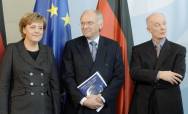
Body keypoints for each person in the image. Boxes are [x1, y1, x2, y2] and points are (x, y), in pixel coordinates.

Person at [62, 10, 124, 114]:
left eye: (89, 23)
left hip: (104, 107)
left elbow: (119, 76)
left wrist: (102, 98)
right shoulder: (71, 46)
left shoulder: (113, 46)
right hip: (78, 108)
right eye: (82, 23)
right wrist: (83, 100)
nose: (85, 26)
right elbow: (67, 77)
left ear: (100, 25)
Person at [0, 12, 60, 114]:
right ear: (24, 29)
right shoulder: (12, 49)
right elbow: (3, 85)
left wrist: (57, 111)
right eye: (32, 27)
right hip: (19, 109)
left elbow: (55, 86)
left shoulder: (48, 51)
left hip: (44, 108)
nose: (37, 31)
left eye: (40, 28)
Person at [129, 12, 186, 114]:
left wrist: (147, 75)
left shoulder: (178, 50)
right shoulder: (138, 49)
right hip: (143, 103)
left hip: (168, 103)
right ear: (148, 29)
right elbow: (135, 73)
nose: (162, 27)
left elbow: (178, 77)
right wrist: (160, 74)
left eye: (164, 23)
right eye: (157, 25)